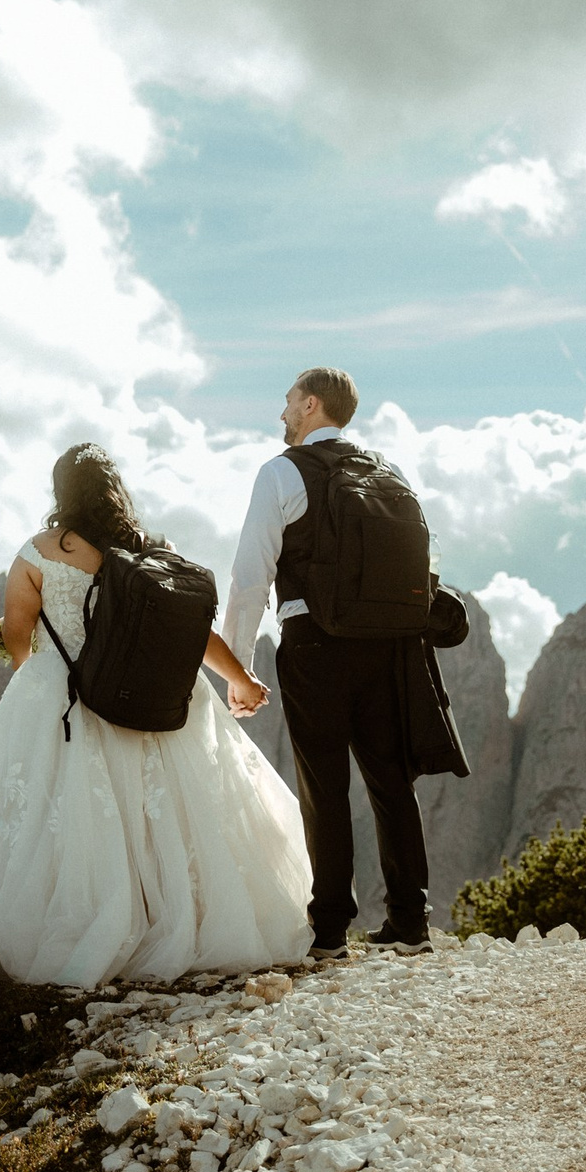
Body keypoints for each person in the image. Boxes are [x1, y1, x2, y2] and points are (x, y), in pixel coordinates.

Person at [0, 443, 315, 986]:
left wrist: (45, 677)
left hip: (66, 695)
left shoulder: (39, 552)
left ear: (60, 493)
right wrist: (240, 678)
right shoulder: (154, 550)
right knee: (164, 816)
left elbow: (20, 641)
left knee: (72, 821)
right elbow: (195, 632)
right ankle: (173, 921)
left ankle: (85, 929)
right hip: (155, 694)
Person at [220, 367, 432, 958]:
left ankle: (332, 929)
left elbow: (250, 575)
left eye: (288, 402)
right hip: (389, 643)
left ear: (311, 405)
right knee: (391, 779)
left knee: (324, 784)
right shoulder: (389, 471)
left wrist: (238, 668)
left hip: (315, 640)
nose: (282, 414)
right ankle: (411, 923)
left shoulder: (281, 471)